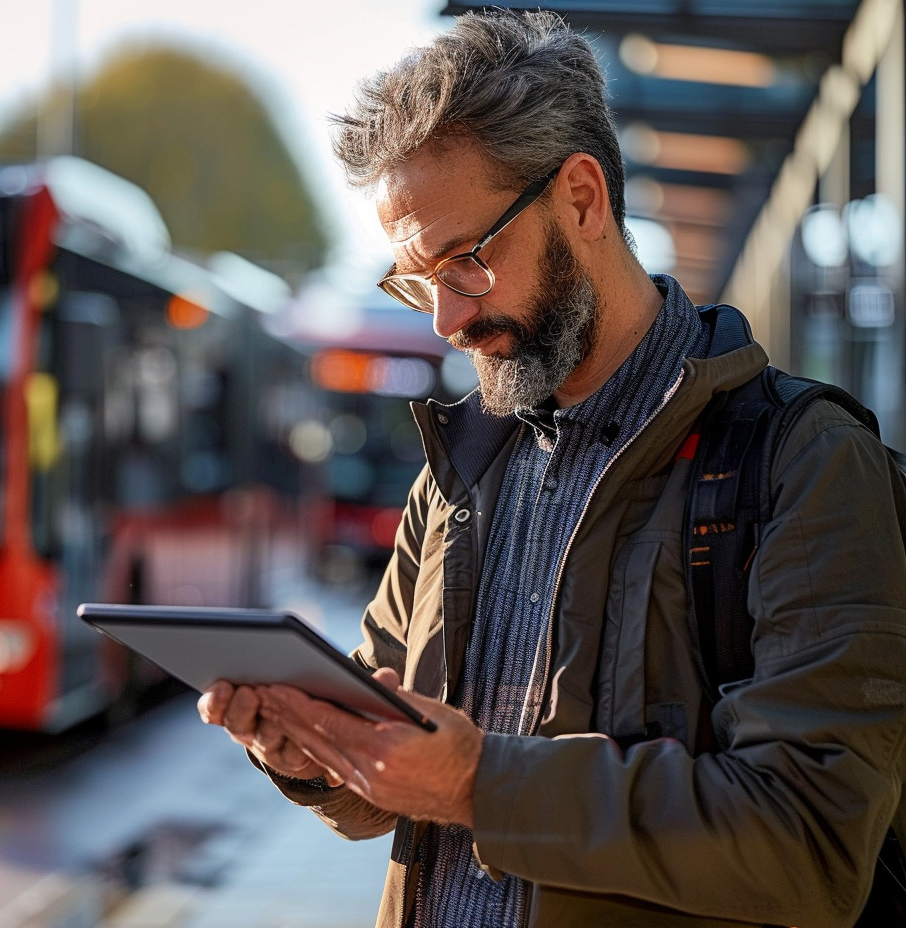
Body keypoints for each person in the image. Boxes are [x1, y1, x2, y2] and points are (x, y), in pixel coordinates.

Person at [198, 8, 906, 927]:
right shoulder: (455, 477)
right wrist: (316, 755)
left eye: (466, 264)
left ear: (582, 197)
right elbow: (390, 781)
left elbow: (811, 842)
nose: (446, 322)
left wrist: (482, 785)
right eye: (416, 283)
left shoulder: (802, 465)